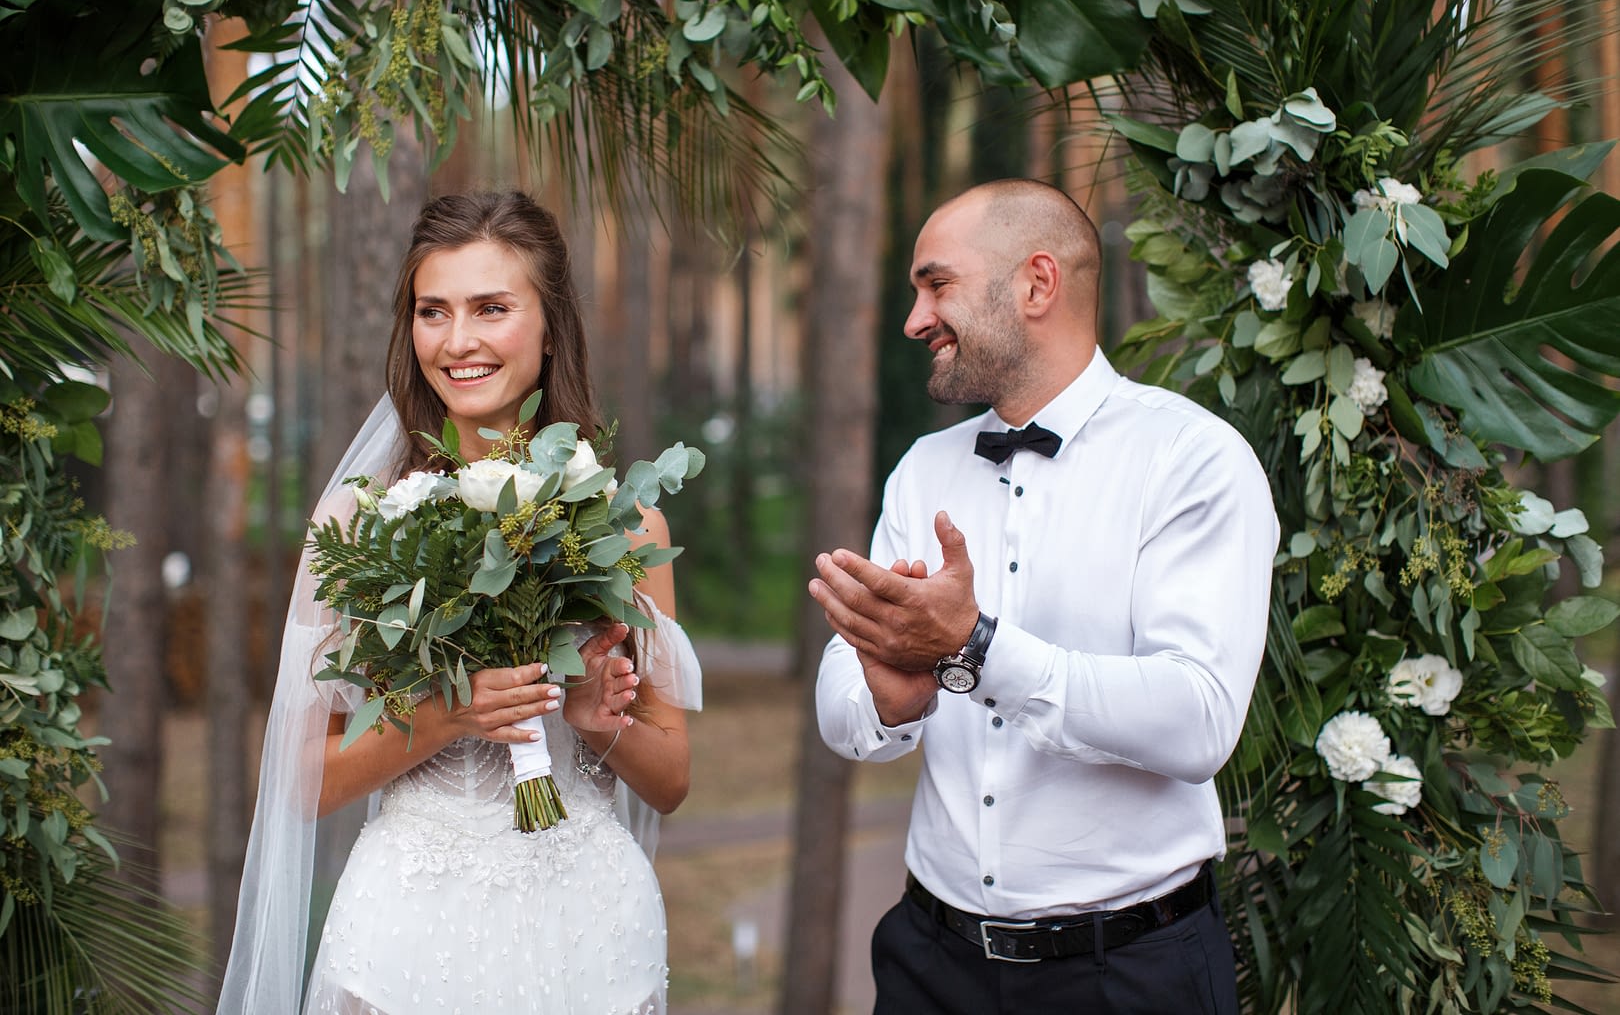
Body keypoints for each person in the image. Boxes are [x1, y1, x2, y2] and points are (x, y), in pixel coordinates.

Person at [220, 190, 700, 1014]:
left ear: (551, 329)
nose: (458, 340)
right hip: (410, 935)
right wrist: (446, 714)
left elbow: (672, 780)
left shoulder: (625, 522)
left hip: (586, 934)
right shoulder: (358, 524)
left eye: (491, 308)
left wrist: (598, 723)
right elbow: (302, 778)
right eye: (432, 311)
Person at [810, 178, 1278, 1014]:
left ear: (1035, 283)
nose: (915, 320)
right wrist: (890, 700)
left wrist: (975, 649)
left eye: (936, 284)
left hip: (1130, 973)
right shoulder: (923, 471)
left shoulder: (1192, 460)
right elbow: (848, 710)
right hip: (928, 963)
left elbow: (1198, 719)